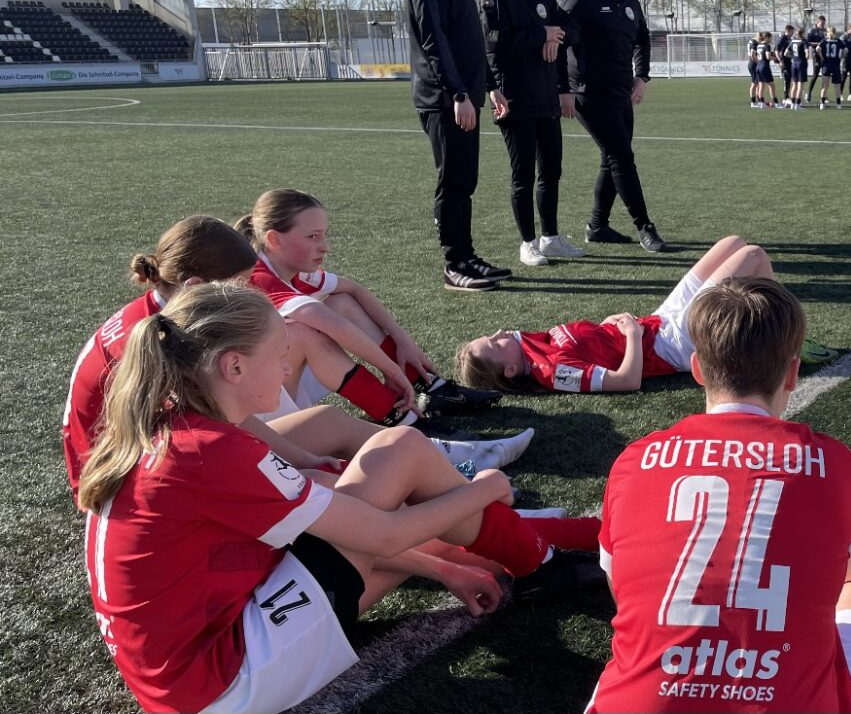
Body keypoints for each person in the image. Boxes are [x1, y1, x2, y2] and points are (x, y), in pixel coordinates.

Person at [80, 282, 603, 714]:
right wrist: (486, 489)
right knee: (401, 449)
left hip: (189, 666)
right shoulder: (211, 450)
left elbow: (358, 531)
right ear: (233, 368)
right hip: (222, 684)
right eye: (279, 356)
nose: (288, 367)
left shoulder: (170, 420)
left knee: (393, 514)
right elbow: (386, 533)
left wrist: (442, 570)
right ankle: (547, 559)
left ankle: (554, 553)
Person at [588, 277, 851, 713]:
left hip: (639, 703)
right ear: (793, 373)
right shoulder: (834, 463)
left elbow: (620, 587)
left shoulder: (634, 460)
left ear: (698, 368)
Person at [64, 216, 532, 500]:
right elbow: (218, 438)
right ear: (193, 289)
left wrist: (310, 456)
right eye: (240, 286)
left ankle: (440, 461)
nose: (250, 293)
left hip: (156, 463)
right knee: (344, 495)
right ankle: (447, 486)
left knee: (326, 432)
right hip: (135, 486)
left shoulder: (164, 321)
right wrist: (309, 465)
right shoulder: (161, 345)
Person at [239, 189, 501, 425]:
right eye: (313, 236)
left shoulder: (285, 264)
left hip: (273, 380)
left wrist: (404, 343)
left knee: (341, 303)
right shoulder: (258, 277)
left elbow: (353, 290)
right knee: (305, 334)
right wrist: (392, 370)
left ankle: (430, 387)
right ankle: (399, 416)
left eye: (324, 234)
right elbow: (334, 326)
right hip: (252, 408)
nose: (325, 246)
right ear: (274, 240)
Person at [456, 237, 784, 395]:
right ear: (511, 370)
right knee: (752, 256)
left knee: (732, 244)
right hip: (673, 344)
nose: (500, 333)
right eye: (495, 344)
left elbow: (591, 346)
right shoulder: (553, 373)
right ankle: (781, 332)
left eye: (492, 335)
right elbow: (627, 381)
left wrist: (609, 325)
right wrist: (631, 335)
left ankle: (771, 323)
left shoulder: (531, 344)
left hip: (657, 323)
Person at [407, 0, 512, 292]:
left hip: (464, 96)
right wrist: (456, 93)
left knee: (464, 180)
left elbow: (468, 41)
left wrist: (488, 86)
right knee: (453, 180)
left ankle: (466, 255)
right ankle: (454, 263)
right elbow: (434, 39)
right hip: (444, 99)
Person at [481, 0, 587, 269]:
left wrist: (556, 35)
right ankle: (527, 243)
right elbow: (493, 40)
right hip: (513, 98)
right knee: (523, 173)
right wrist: (539, 34)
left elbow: (574, 29)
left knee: (552, 169)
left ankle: (551, 238)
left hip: (545, 98)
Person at [559, 0, 667, 253]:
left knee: (612, 158)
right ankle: (644, 227)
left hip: (621, 93)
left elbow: (643, 39)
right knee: (621, 156)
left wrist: (641, 76)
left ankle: (597, 226)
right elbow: (557, 45)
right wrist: (561, 90)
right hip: (588, 94)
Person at [819, 27, 845, 110]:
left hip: (826, 65)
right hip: (835, 65)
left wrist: (822, 57)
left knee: (825, 86)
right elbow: (846, 50)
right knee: (837, 86)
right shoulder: (838, 41)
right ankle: (838, 104)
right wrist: (841, 57)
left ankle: (822, 103)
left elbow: (817, 49)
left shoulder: (824, 41)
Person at [804, 14, 828, 101]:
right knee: (815, 75)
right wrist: (818, 44)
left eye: (824, 24)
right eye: (822, 24)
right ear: (817, 22)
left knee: (825, 75)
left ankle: (823, 95)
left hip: (825, 55)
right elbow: (808, 42)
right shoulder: (811, 30)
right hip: (816, 55)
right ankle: (809, 93)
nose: (823, 25)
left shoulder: (825, 30)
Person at [787, 27, 809, 111]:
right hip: (801, 64)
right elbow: (807, 54)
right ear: (803, 33)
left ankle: (792, 104)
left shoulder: (793, 41)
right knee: (800, 85)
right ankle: (798, 104)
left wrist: (794, 57)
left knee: (794, 85)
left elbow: (786, 53)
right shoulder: (804, 41)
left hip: (794, 64)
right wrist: (804, 58)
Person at [756, 31, 779, 108]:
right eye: (770, 38)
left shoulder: (759, 45)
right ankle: (776, 103)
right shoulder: (767, 45)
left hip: (758, 67)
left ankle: (761, 103)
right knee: (771, 85)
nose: (771, 40)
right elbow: (768, 57)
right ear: (767, 38)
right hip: (764, 67)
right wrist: (774, 58)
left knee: (761, 85)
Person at [777, 25, 795, 107]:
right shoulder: (783, 38)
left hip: (789, 62)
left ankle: (787, 98)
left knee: (789, 79)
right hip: (784, 62)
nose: (793, 33)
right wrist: (780, 61)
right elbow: (777, 51)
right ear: (787, 30)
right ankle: (785, 98)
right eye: (792, 31)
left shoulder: (789, 39)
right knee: (786, 79)